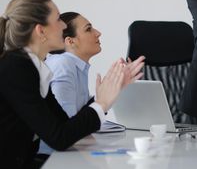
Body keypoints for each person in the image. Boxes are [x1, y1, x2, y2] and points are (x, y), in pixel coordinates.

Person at [0, 0, 144, 169]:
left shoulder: (33, 67)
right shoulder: (16, 68)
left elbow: (65, 128)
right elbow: (58, 138)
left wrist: (105, 95)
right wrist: (102, 103)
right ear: (40, 31)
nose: (63, 25)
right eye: (58, 19)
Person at [38, 12, 144, 154]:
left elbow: (78, 118)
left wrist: (110, 89)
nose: (98, 33)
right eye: (88, 29)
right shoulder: (64, 64)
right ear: (70, 41)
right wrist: (102, 102)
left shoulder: (72, 65)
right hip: (53, 159)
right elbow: (68, 129)